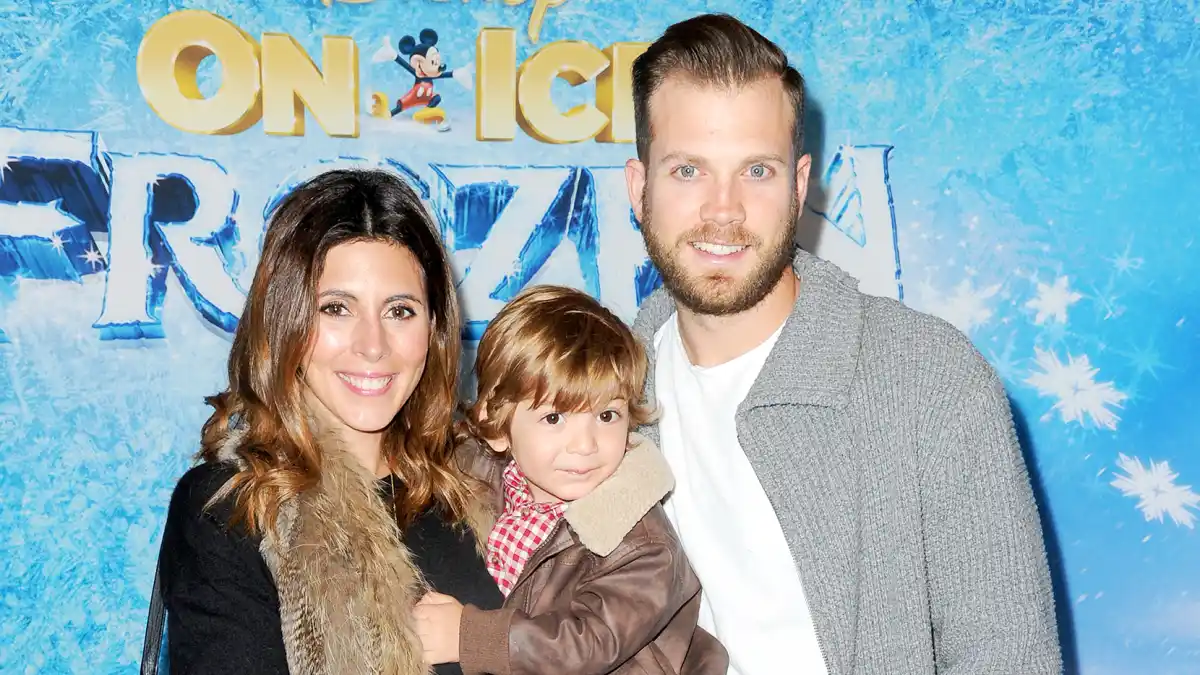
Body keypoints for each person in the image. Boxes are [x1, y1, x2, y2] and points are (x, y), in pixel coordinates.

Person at [622, 13, 1062, 675]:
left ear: (800, 186)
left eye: (757, 171)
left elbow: (1009, 657)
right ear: (639, 187)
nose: (723, 210)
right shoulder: (605, 390)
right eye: (688, 171)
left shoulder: (929, 378)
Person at [148, 169, 503, 674]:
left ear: (434, 328)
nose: (373, 345)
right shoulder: (236, 507)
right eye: (336, 308)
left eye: (400, 311)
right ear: (284, 321)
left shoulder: (479, 493)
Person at [411, 285, 728, 674]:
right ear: (497, 428)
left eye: (607, 416)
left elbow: (587, 644)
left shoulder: (641, 543)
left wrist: (468, 636)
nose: (585, 445)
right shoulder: (481, 471)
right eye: (554, 418)